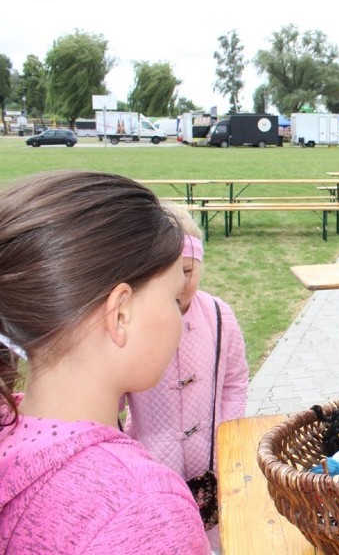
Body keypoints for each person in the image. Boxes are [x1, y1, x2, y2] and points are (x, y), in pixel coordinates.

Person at [0, 170, 210, 553]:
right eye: (173, 299)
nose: (179, 318)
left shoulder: (10, 432)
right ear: (120, 315)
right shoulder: (145, 511)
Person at [122, 201, 249, 551]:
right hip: (151, 464)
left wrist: (228, 433)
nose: (180, 283)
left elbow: (235, 380)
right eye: (169, 273)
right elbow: (109, 401)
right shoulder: (132, 326)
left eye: (188, 270)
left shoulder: (220, 316)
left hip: (211, 464)